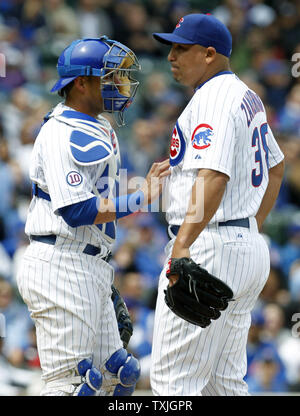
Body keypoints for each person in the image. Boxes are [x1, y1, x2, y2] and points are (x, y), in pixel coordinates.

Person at [16, 36, 169, 396]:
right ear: (81, 82)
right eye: (110, 77)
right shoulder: (59, 133)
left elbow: (97, 199)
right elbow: (77, 210)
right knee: (73, 386)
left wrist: (99, 272)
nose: (120, 85)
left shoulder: (100, 125)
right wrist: (140, 197)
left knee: (120, 375)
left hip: (88, 264)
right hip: (60, 263)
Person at [150, 13, 285, 396]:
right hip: (242, 246)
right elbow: (276, 167)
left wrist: (183, 245)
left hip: (207, 246)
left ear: (209, 54)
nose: (171, 57)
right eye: (170, 48)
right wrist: (249, 227)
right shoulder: (246, 95)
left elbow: (214, 175)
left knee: (174, 386)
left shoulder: (212, 99)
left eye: (181, 48)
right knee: (221, 385)